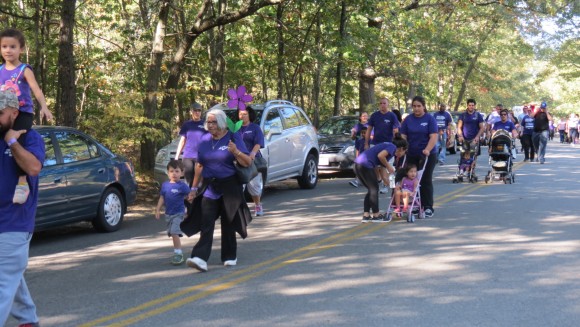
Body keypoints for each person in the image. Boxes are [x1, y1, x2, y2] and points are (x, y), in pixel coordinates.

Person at [180, 108, 252, 272]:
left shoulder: (233, 137)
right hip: (209, 187)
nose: (210, 125)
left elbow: (247, 162)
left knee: (228, 221)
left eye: (213, 122)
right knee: (207, 222)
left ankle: (229, 255)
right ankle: (200, 257)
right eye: (208, 122)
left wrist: (236, 151)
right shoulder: (205, 140)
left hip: (229, 186)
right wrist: (193, 188)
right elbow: (199, 165)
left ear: (221, 122)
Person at [0, 90, 44, 327]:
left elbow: (34, 168)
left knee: (2, 282)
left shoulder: (30, 138)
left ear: (14, 113)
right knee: (11, 279)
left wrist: (12, 142)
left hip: (14, 224)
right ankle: (28, 321)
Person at [0, 28, 52, 205]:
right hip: (5, 113)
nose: (8, 50)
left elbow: (36, 90)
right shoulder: (0, 70)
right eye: (4, 46)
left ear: (21, 49)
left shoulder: (24, 70)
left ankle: (22, 182)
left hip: (23, 113)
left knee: (17, 143)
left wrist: (44, 107)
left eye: (13, 46)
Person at [400, 96, 438, 218]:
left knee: (424, 179)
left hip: (427, 154)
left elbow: (433, 137)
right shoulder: (408, 120)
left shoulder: (429, 119)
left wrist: (427, 149)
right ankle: (416, 205)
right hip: (411, 154)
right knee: (411, 180)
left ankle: (428, 206)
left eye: (419, 106)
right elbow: (403, 136)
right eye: (414, 106)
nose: (416, 108)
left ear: (423, 106)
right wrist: (403, 148)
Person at [353, 135, 407, 223]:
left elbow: (383, 169)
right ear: (401, 148)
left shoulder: (389, 151)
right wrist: (389, 166)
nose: (403, 154)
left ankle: (366, 215)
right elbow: (380, 156)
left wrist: (389, 183)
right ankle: (376, 215)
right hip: (365, 165)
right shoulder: (392, 147)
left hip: (358, 164)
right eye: (405, 152)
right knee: (374, 189)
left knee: (371, 190)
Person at [155, 159, 195, 265]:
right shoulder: (165, 185)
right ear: (168, 173)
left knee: (174, 232)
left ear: (182, 173)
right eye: (171, 171)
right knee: (173, 234)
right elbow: (162, 197)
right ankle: (177, 251)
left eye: (177, 171)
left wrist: (190, 205)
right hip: (168, 214)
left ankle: (178, 254)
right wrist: (158, 209)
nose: (174, 174)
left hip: (179, 213)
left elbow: (189, 197)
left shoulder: (182, 186)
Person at [364, 98, 400, 194]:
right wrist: (366, 143)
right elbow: (369, 129)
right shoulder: (375, 116)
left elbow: (397, 129)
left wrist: (396, 134)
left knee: (388, 166)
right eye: (380, 103)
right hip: (376, 143)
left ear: (388, 104)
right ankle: (379, 179)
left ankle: (390, 186)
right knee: (374, 164)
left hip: (388, 144)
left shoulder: (392, 115)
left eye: (384, 103)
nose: (382, 105)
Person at [236, 106, 265, 216]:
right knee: (239, 186)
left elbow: (258, 143)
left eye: (245, 114)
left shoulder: (255, 127)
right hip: (239, 160)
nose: (242, 116)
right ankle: (239, 209)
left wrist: (252, 153)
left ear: (249, 115)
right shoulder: (235, 128)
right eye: (240, 114)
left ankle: (257, 205)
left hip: (252, 160)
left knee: (254, 185)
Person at [174, 102, 206, 187]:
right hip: (188, 156)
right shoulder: (187, 125)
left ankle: (198, 198)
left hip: (200, 157)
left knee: (199, 182)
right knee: (189, 181)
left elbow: (210, 140)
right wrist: (177, 156)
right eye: (195, 110)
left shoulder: (205, 124)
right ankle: (189, 198)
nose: (197, 112)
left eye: (199, 110)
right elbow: (182, 141)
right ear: (191, 112)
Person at [349, 111, 369, 188]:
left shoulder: (369, 125)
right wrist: (353, 134)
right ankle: (358, 180)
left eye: (366, 116)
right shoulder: (357, 126)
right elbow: (353, 138)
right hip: (358, 147)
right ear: (360, 117)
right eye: (363, 116)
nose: (365, 117)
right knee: (357, 164)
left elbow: (372, 136)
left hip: (367, 147)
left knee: (365, 165)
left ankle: (362, 180)